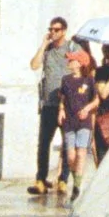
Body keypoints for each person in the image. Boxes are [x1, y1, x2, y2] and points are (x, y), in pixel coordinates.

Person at [28, 15, 70, 199]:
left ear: (64, 31)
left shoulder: (72, 48)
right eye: (51, 29)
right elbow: (34, 65)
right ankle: (41, 178)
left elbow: (86, 65)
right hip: (48, 103)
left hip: (67, 104)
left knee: (68, 143)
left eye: (56, 30)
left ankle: (63, 179)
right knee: (43, 142)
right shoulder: (47, 51)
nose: (52, 32)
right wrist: (43, 45)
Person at [55, 38, 96, 193]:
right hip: (69, 122)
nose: (69, 63)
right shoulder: (66, 80)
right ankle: (75, 177)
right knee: (71, 156)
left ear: (80, 63)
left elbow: (96, 100)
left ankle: (77, 187)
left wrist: (87, 108)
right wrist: (61, 109)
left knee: (81, 152)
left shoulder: (89, 80)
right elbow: (63, 98)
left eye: (72, 60)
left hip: (84, 122)